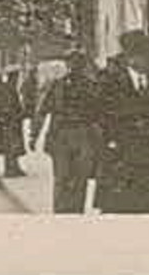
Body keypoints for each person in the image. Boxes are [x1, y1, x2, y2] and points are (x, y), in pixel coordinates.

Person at [94, 30, 149, 214]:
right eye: (139, 53)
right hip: (120, 166)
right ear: (128, 57)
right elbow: (101, 122)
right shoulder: (110, 85)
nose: (146, 58)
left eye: (147, 53)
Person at [35, 47, 103, 214]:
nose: (74, 66)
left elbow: (99, 114)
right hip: (62, 136)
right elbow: (43, 111)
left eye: (77, 63)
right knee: (62, 177)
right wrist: (33, 134)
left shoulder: (90, 86)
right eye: (71, 62)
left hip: (82, 135)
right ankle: (61, 212)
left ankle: (74, 212)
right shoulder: (58, 86)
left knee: (79, 178)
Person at [0, 68, 28, 178]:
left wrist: (21, 113)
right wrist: (15, 115)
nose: (17, 79)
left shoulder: (11, 88)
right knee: (9, 147)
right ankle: (9, 169)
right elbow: (6, 107)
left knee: (15, 146)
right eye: (15, 76)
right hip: (9, 122)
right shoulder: (7, 89)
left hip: (14, 121)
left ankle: (15, 167)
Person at [18, 66, 40, 146]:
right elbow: (22, 90)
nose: (36, 74)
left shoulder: (33, 81)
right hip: (29, 101)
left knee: (32, 116)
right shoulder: (30, 81)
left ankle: (31, 130)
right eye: (35, 72)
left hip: (30, 101)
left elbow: (21, 90)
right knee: (31, 115)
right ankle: (31, 130)